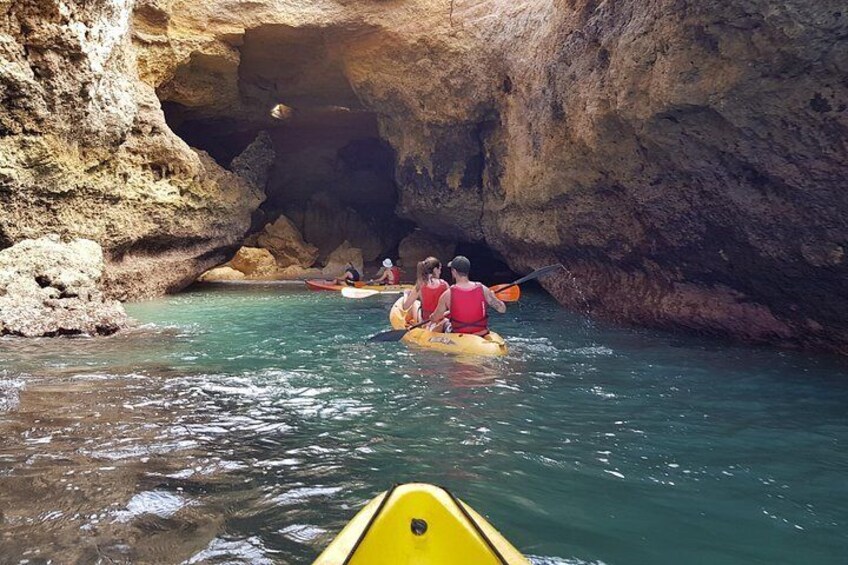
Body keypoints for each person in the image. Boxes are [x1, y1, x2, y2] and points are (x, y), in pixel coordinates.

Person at [430, 255, 505, 335]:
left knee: (444, 323)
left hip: (459, 333)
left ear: (454, 272)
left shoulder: (447, 294)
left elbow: (436, 318)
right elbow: (502, 309)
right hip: (481, 332)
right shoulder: (483, 289)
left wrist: (432, 317)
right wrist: (494, 298)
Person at [402, 256, 449, 329]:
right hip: (442, 319)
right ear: (435, 269)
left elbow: (405, 307)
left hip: (426, 320)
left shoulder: (420, 285)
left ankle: (410, 322)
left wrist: (406, 294)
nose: (440, 272)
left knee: (414, 304)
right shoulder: (445, 284)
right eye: (440, 269)